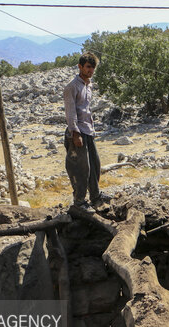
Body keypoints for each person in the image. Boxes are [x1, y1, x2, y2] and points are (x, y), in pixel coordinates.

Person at [63, 52, 107, 211]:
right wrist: (75, 133)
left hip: (88, 130)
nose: (90, 70)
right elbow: (70, 111)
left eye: (93, 67)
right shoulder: (72, 86)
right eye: (88, 67)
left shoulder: (88, 85)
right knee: (81, 169)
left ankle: (95, 196)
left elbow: (86, 109)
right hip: (77, 132)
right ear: (80, 66)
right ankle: (80, 202)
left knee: (94, 165)